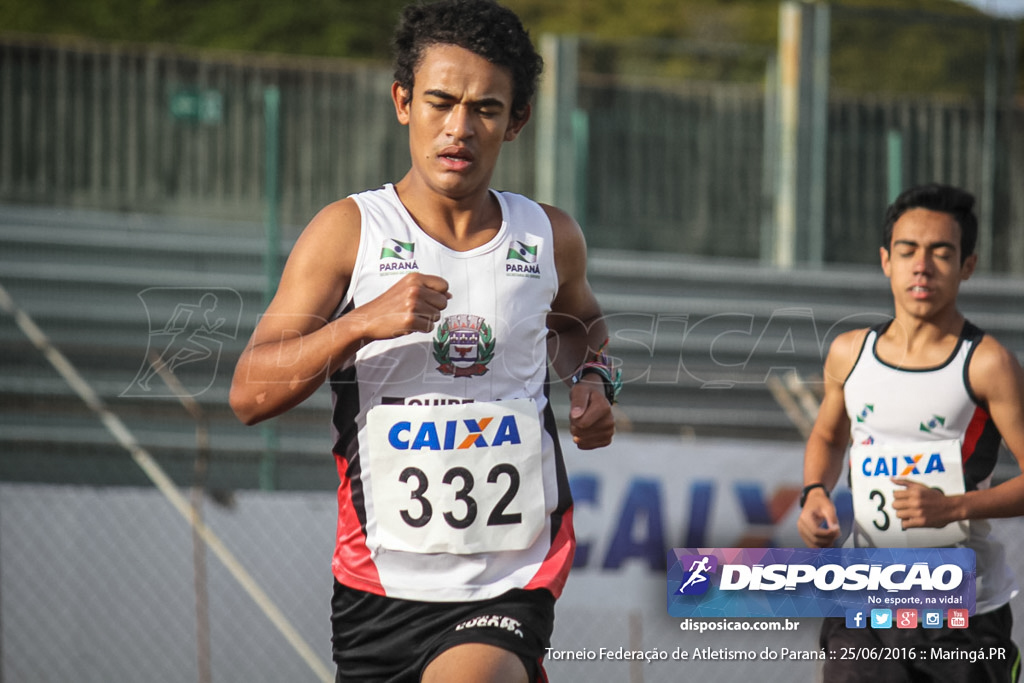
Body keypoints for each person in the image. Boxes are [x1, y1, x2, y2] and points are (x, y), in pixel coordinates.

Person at [229, 1, 619, 681]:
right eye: (440, 102)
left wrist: (593, 381)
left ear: (517, 120)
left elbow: (584, 333)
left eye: (486, 109)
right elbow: (249, 393)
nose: (460, 128)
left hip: (511, 574)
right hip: (378, 586)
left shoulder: (548, 237)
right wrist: (359, 322)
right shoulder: (349, 232)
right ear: (403, 102)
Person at [796, 183, 1024, 682]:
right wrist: (814, 491)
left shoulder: (988, 365)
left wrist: (954, 507)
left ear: (967, 265)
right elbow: (830, 437)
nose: (922, 266)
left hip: (960, 610)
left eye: (942, 253)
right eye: (908, 251)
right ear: (886, 261)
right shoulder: (849, 352)